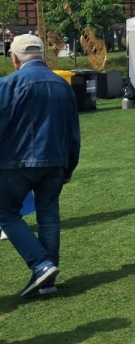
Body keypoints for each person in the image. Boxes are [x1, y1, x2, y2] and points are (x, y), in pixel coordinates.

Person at [0, 35, 80, 297]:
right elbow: (73, 130)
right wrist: (70, 166)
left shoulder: (9, 84)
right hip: (56, 160)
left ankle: (41, 265)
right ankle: (47, 280)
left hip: (16, 161)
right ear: (42, 55)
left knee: (7, 214)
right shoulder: (62, 84)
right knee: (48, 216)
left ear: (14, 57)